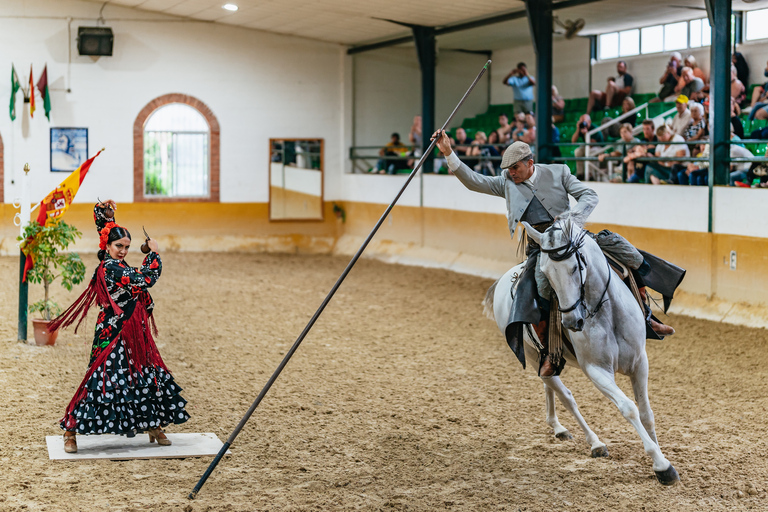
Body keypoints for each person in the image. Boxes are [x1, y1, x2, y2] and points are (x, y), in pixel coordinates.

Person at [430, 133, 675, 376]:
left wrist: (573, 219)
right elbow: (474, 181)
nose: (511, 173)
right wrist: (448, 152)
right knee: (541, 288)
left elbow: (589, 195)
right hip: (541, 247)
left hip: (571, 237)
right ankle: (550, 351)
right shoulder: (505, 181)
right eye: (508, 169)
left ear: (530, 163)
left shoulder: (559, 172)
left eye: (515, 167)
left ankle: (645, 316)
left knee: (626, 254)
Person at [53, 200, 189, 454]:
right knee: (99, 379)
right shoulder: (111, 267)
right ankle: (70, 430)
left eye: (127, 246)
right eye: (119, 246)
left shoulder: (115, 257)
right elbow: (145, 279)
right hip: (114, 332)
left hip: (135, 330)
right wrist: (154, 254)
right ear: (107, 246)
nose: (124, 251)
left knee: (144, 374)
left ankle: (153, 425)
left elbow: (106, 226)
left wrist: (104, 212)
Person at [571, 114, 604, 180]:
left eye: (584, 121)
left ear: (589, 121)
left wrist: (586, 134)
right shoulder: (582, 128)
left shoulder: (594, 128)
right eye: (581, 121)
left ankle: (591, 174)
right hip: (587, 146)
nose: (583, 123)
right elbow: (573, 141)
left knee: (590, 152)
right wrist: (578, 129)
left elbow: (591, 144)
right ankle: (580, 174)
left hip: (598, 147)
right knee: (578, 151)